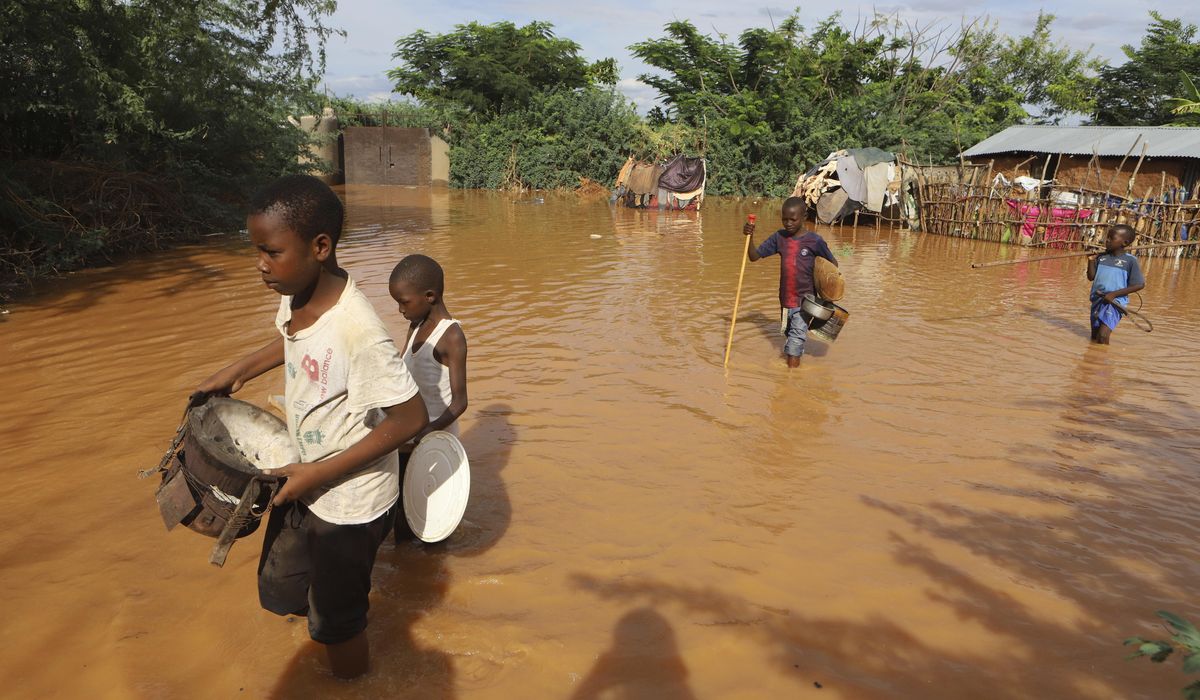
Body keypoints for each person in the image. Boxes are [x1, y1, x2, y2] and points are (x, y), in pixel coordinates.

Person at [194, 174, 428, 679]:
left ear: (320, 247)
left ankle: (351, 684)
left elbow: (412, 418)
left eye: (270, 251)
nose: (260, 264)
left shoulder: (359, 330)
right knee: (280, 590)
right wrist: (235, 371)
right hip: (305, 475)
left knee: (337, 622)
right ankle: (327, 610)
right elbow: (291, 338)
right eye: (256, 249)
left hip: (351, 499)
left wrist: (316, 475)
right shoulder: (296, 292)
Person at [388, 254, 469, 541]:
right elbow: (399, 371)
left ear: (430, 295)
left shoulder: (452, 337)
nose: (399, 309)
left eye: (404, 302)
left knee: (432, 522)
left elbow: (460, 402)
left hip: (432, 442)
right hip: (407, 439)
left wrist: (427, 430)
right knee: (403, 516)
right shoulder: (415, 326)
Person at [743, 197, 838, 367]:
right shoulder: (779, 238)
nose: (788, 223)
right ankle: (795, 363)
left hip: (805, 302)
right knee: (790, 335)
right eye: (784, 219)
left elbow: (832, 267)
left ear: (804, 217)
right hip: (785, 299)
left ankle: (790, 379)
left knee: (794, 341)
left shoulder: (814, 241)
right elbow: (754, 257)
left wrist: (827, 295)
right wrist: (750, 237)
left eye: (792, 219)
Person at [1087, 224, 1145, 345]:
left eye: (1111, 238)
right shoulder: (1102, 257)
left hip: (1115, 302)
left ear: (1124, 243)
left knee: (1102, 336)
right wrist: (1091, 261)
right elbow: (1091, 277)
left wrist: (1114, 294)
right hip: (1098, 299)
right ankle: (1093, 361)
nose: (1106, 240)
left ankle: (1103, 361)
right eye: (1107, 237)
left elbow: (1139, 284)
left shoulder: (1130, 261)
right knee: (1095, 336)